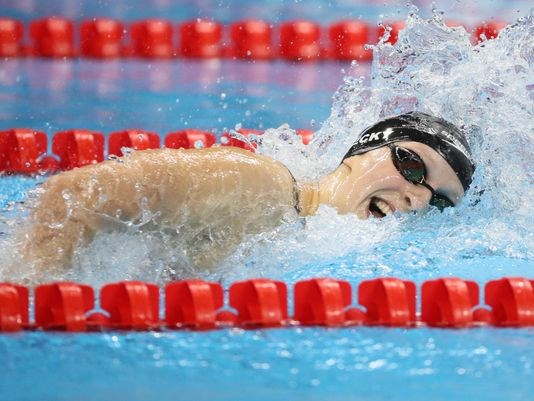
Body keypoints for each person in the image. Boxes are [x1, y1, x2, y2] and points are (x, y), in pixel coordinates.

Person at [19, 111, 474, 276]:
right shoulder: (257, 184)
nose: (416, 198)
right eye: (413, 166)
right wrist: (33, 289)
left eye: (436, 202)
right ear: (363, 149)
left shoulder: (300, 241)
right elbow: (73, 194)